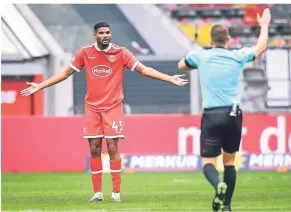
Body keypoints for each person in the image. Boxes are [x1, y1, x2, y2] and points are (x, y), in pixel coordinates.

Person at [21, 21, 188, 203]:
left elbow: (143, 69)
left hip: (113, 106)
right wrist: (41, 85)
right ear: (95, 35)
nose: (106, 35)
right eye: (101, 33)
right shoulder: (85, 53)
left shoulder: (121, 52)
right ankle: (97, 193)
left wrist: (169, 78)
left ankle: (116, 193)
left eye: (108, 32)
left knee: (113, 147)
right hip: (92, 107)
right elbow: (65, 73)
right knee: (94, 148)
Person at [178, 8, 271, 212]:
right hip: (233, 114)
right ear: (228, 39)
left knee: (208, 162)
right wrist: (263, 25)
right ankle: (226, 205)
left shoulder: (200, 56)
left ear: (211, 40)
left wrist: (199, 66)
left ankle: (216, 185)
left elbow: (181, 65)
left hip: (212, 114)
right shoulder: (237, 56)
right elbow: (261, 46)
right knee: (229, 162)